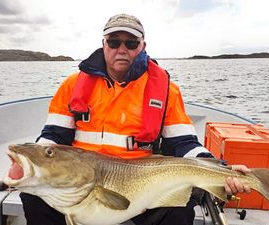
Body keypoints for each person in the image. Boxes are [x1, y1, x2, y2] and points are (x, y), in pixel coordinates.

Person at [20, 13, 251, 225]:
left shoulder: (166, 91)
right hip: (84, 178)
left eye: (131, 43)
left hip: (141, 184)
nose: (122, 49)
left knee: (179, 210)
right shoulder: (72, 85)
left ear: (142, 47)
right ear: (103, 44)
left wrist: (222, 169)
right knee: (33, 197)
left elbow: (184, 144)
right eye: (113, 42)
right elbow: (53, 135)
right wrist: (32, 159)